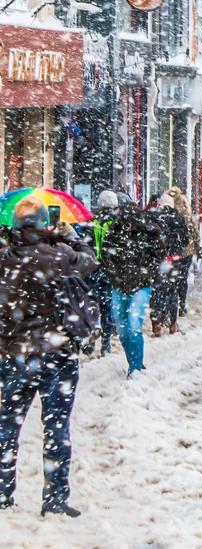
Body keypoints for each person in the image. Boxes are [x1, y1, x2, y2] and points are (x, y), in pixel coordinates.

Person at [0, 197, 99, 516]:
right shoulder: (60, 255)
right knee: (56, 426)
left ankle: (2, 493)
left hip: (14, 354)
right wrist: (71, 236)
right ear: (44, 223)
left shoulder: (5, 259)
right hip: (57, 353)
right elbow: (90, 261)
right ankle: (54, 499)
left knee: (7, 426)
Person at [101, 200, 162, 378]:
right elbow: (106, 254)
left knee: (134, 325)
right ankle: (134, 362)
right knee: (122, 328)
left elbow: (158, 253)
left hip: (140, 286)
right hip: (120, 285)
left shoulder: (146, 233)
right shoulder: (115, 233)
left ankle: (135, 367)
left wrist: (147, 273)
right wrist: (113, 273)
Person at [147, 193, 191, 336]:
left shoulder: (154, 218)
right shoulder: (179, 217)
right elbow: (185, 240)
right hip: (174, 260)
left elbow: (149, 240)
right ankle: (172, 324)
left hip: (159, 260)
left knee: (157, 292)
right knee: (172, 291)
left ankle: (156, 324)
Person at [85, 190, 119, 355]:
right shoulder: (116, 224)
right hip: (108, 271)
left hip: (92, 270)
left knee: (92, 307)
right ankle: (106, 345)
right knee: (107, 308)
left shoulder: (91, 223)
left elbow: (84, 246)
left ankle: (91, 340)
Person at [168, 187, 200, 317]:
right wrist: (198, 247)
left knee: (171, 278)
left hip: (173, 250)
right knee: (182, 278)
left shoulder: (167, 206)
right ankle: (181, 304)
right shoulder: (185, 207)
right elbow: (192, 228)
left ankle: (172, 304)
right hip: (186, 250)